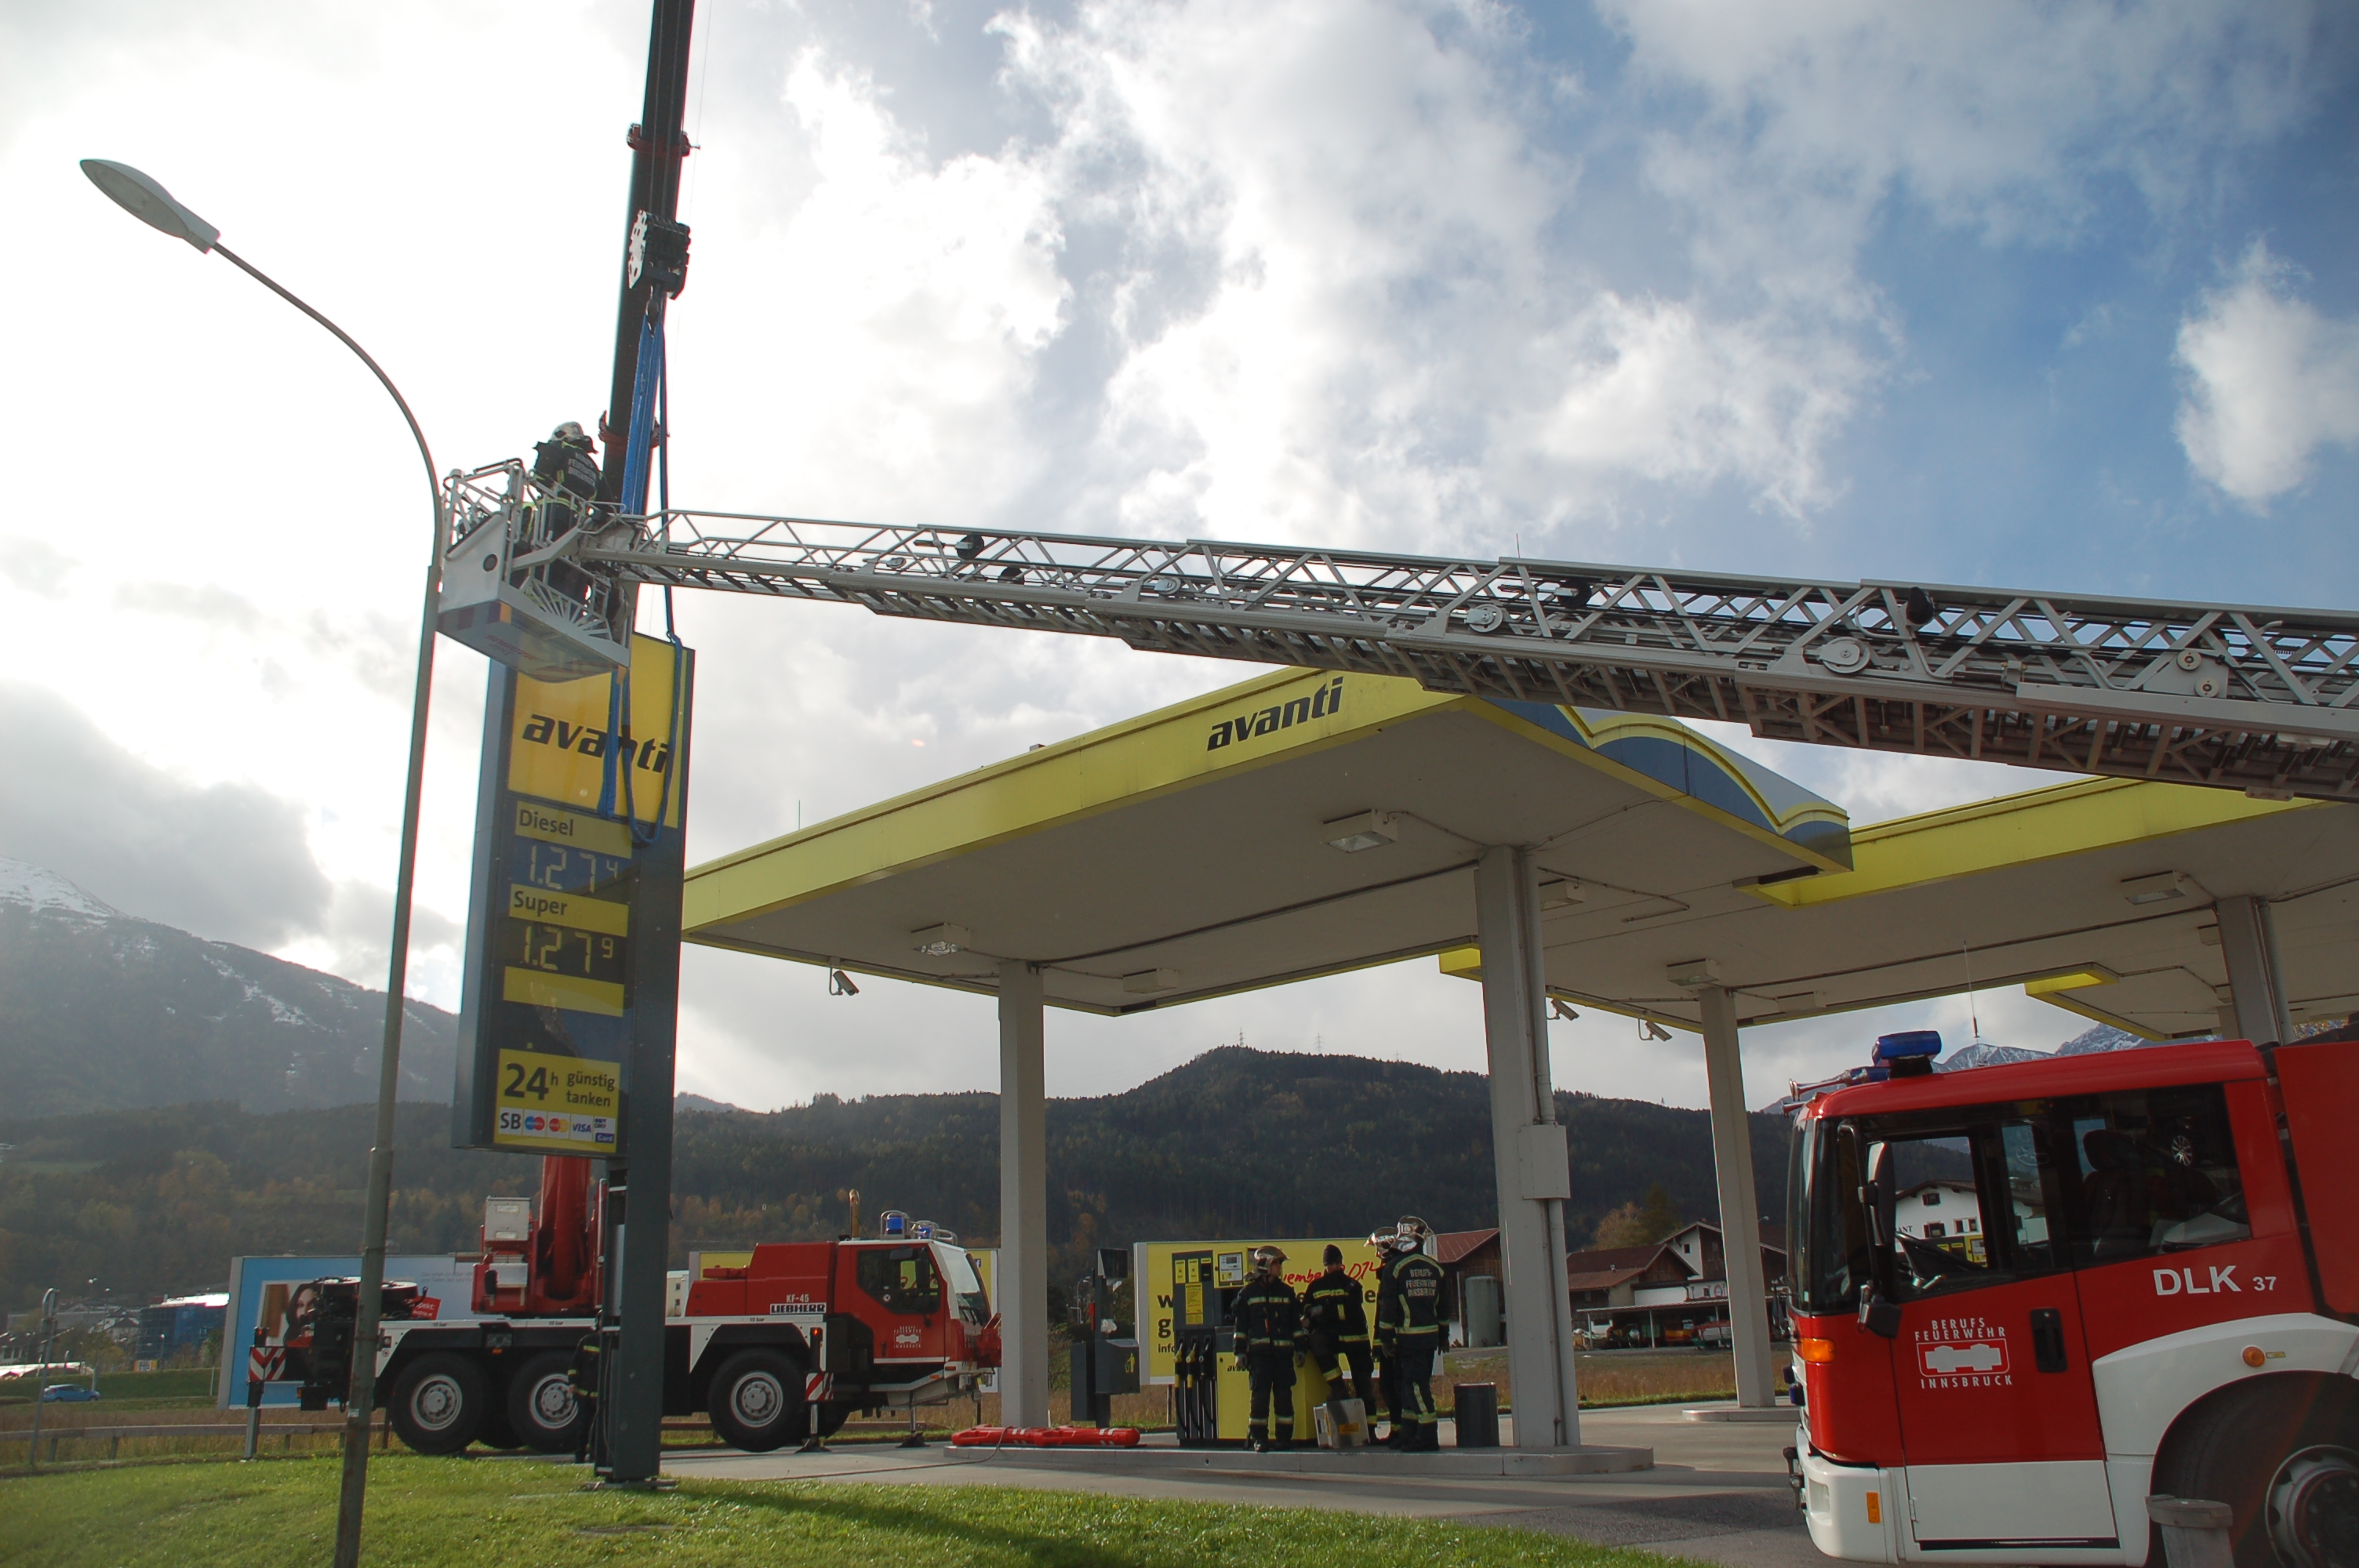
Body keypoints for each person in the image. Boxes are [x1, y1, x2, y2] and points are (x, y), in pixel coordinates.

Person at [1373, 1217, 1445, 1451]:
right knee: (1409, 1386)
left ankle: (1427, 1435)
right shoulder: (1436, 1268)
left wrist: (1385, 1340)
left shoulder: (1395, 1268)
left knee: (1414, 1386)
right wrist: (1444, 1335)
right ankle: (1408, 1432)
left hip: (1407, 1338)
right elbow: (1444, 1308)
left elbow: (1388, 1309)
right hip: (1430, 1338)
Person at [1227, 1245, 1302, 1452]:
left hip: (1283, 1357)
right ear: (1266, 1265)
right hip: (1259, 1358)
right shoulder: (1248, 1294)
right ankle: (1260, 1439)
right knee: (1259, 1399)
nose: (1280, 1268)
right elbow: (1240, 1327)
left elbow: (1295, 1325)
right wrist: (1240, 1352)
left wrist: (1301, 1348)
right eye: (1277, 1263)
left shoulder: (1287, 1293)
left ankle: (1284, 1439)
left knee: (1284, 1399)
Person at [1299, 1244, 1376, 1420]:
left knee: (1363, 1384)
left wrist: (1323, 1312)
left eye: (1336, 1263)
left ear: (1342, 1264)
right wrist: (1311, 1314)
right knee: (1317, 1344)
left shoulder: (1353, 1285)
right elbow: (1307, 1308)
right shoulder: (1316, 1286)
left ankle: (1370, 1429)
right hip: (1332, 1337)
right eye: (1330, 1264)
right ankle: (1338, 1386)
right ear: (1325, 1265)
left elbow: (1351, 1311)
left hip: (1356, 1341)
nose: (1333, 1267)